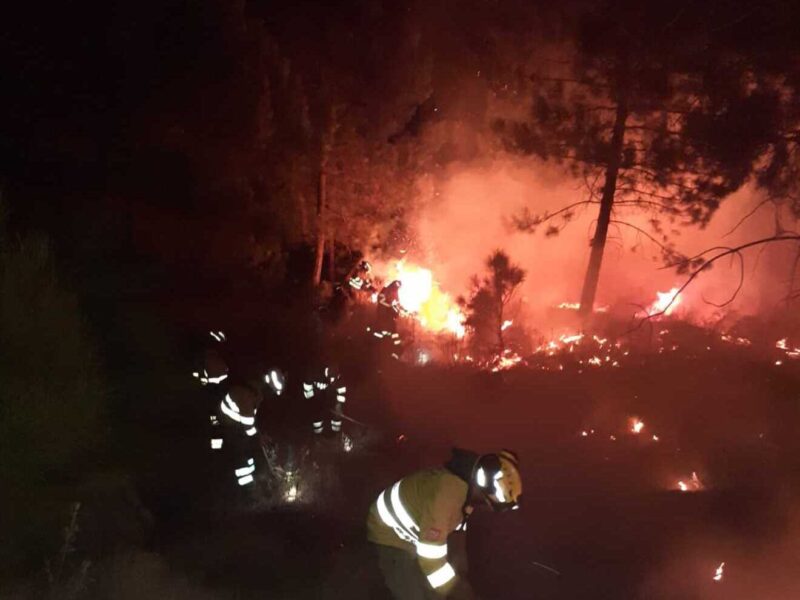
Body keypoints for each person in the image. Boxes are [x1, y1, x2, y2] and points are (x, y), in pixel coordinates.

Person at [367, 448, 522, 599]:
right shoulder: (450, 493)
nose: (486, 507)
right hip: (389, 533)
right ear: (485, 487)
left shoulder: (466, 500)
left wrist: (461, 580)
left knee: (435, 591)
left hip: (416, 535)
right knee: (415, 594)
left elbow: (456, 543)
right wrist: (458, 591)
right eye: (487, 502)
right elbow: (430, 556)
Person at [209, 379, 262, 490]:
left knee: (246, 451)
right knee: (241, 452)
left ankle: (251, 477)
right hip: (230, 425)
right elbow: (249, 427)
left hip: (230, 422)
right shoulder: (246, 400)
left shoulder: (246, 393)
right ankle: (246, 487)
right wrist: (258, 437)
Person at [302, 364, 348, 440]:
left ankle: (336, 434)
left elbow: (341, 392)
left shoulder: (338, 377)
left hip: (331, 398)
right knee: (317, 416)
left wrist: (338, 405)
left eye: (335, 378)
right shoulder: (314, 374)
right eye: (331, 378)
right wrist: (314, 399)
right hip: (315, 398)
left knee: (337, 414)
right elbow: (307, 393)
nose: (333, 381)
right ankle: (317, 436)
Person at [372, 280, 404, 359]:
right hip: (382, 315)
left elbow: (397, 303)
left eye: (398, 287)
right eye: (396, 286)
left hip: (389, 316)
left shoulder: (395, 293)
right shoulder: (385, 290)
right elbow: (381, 301)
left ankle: (395, 349)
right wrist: (390, 306)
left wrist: (403, 309)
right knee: (381, 331)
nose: (396, 288)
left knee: (393, 332)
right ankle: (377, 347)